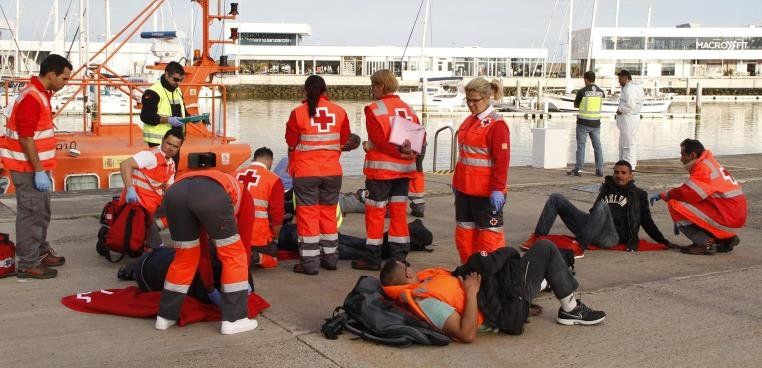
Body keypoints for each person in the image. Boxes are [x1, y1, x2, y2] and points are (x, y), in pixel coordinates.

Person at [380, 240, 606, 343]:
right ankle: (571, 310)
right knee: (545, 249)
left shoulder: (424, 283)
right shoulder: (424, 300)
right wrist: (470, 291)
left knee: (532, 262)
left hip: (496, 292)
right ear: (407, 275)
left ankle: (547, 283)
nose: (411, 267)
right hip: (505, 311)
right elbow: (466, 333)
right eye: (407, 266)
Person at [155, 169, 258, 335]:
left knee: (184, 257)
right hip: (209, 195)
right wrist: (242, 277)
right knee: (234, 255)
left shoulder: (214, 180)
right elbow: (243, 244)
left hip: (175, 192)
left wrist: (209, 285)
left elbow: (201, 248)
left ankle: (165, 316)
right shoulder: (244, 197)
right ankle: (235, 319)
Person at [0, 54, 72, 279]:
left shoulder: (39, 94)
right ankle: (28, 263)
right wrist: (39, 170)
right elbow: (26, 137)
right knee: (31, 214)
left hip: (35, 168)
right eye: (64, 78)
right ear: (52, 74)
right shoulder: (32, 97)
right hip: (28, 169)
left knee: (40, 212)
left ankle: (39, 252)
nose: (65, 83)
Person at [351, 69, 421, 271]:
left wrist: (369, 145)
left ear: (381, 86)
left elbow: (380, 141)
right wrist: (408, 154)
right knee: (399, 214)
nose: (372, 89)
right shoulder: (408, 109)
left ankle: (372, 258)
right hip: (404, 171)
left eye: (374, 85)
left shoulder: (374, 109)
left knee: (375, 213)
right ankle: (398, 258)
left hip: (381, 171)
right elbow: (419, 137)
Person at [523, 160, 670, 252]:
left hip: (612, 237)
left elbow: (647, 222)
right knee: (556, 198)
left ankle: (580, 246)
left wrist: (663, 241)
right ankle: (538, 236)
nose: (619, 176)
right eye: (616, 172)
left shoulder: (638, 194)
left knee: (602, 205)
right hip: (593, 228)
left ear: (631, 176)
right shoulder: (607, 187)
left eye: (623, 173)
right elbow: (594, 211)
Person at [285, 75, 350, 275]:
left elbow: (291, 141)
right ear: (325, 90)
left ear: (306, 90)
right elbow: (344, 139)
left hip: (306, 173)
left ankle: (310, 263)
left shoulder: (298, 113)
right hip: (332, 172)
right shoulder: (340, 112)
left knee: (308, 217)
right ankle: (330, 258)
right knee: (328, 215)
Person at [650, 139, 747, 255]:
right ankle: (724, 239)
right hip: (732, 212)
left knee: (675, 204)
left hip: (728, 214)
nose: (681, 159)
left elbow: (687, 193)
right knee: (686, 206)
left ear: (692, 155)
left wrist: (666, 195)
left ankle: (705, 243)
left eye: (683, 155)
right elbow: (694, 192)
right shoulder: (709, 163)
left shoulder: (703, 168)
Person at [452, 78, 510, 263]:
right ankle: (469, 271)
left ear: (486, 98)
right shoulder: (470, 121)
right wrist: (456, 183)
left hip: (486, 193)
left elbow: (502, 162)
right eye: (468, 100)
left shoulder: (496, 125)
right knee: (464, 235)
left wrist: (497, 189)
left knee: (489, 239)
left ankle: (490, 278)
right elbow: (465, 157)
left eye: (475, 100)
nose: (470, 104)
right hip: (465, 190)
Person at [119, 128, 184, 249]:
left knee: (182, 211)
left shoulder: (171, 164)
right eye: (168, 143)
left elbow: (169, 189)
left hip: (152, 206)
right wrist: (130, 189)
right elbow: (125, 164)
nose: (171, 148)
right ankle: (150, 235)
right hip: (138, 206)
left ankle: (150, 231)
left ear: (179, 148)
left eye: (175, 146)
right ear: (162, 141)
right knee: (159, 250)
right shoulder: (150, 156)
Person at [235, 147, 285, 269]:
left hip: (233, 233)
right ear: (269, 161)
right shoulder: (273, 179)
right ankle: (250, 256)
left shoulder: (234, 174)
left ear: (254, 159)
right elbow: (277, 215)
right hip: (257, 237)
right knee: (272, 259)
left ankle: (236, 254)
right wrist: (275, 238)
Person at [568, 71, 605, 177]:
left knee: (581, 146)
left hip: (583, 123)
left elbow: (576, 105)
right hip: (596, 123)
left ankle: (579, 169)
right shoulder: (601, 92)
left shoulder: (582, 91)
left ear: (585, 79)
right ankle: (599, 170)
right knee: (597, 146)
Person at [140, 61, 186, 147]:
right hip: (158, 141)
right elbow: (145, 116)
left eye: (181, 80)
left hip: (176, 140)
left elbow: (182, 112)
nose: (178, 83)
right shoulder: (153, 91)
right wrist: (168, 120)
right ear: (166, 74)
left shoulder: (178, 91)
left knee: (173, 161)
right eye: (176, 79)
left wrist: (192, 118)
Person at [615, 69, 643, 170]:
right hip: (631, 118)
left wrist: (620, 110)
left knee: (627, 143)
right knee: (628, 142)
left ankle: (627, 165)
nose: (619, 81)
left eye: (620, 79)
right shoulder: (632, 87)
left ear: (625, 78)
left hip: (628, 118)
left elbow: (630, 105)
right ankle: (627, 164)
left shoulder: (629, 89)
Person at [408, 143, 426, 217]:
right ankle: (419, 206)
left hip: (399, 141)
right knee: (417, 168)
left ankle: (390, 207)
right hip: (419, 142)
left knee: (393, 169)